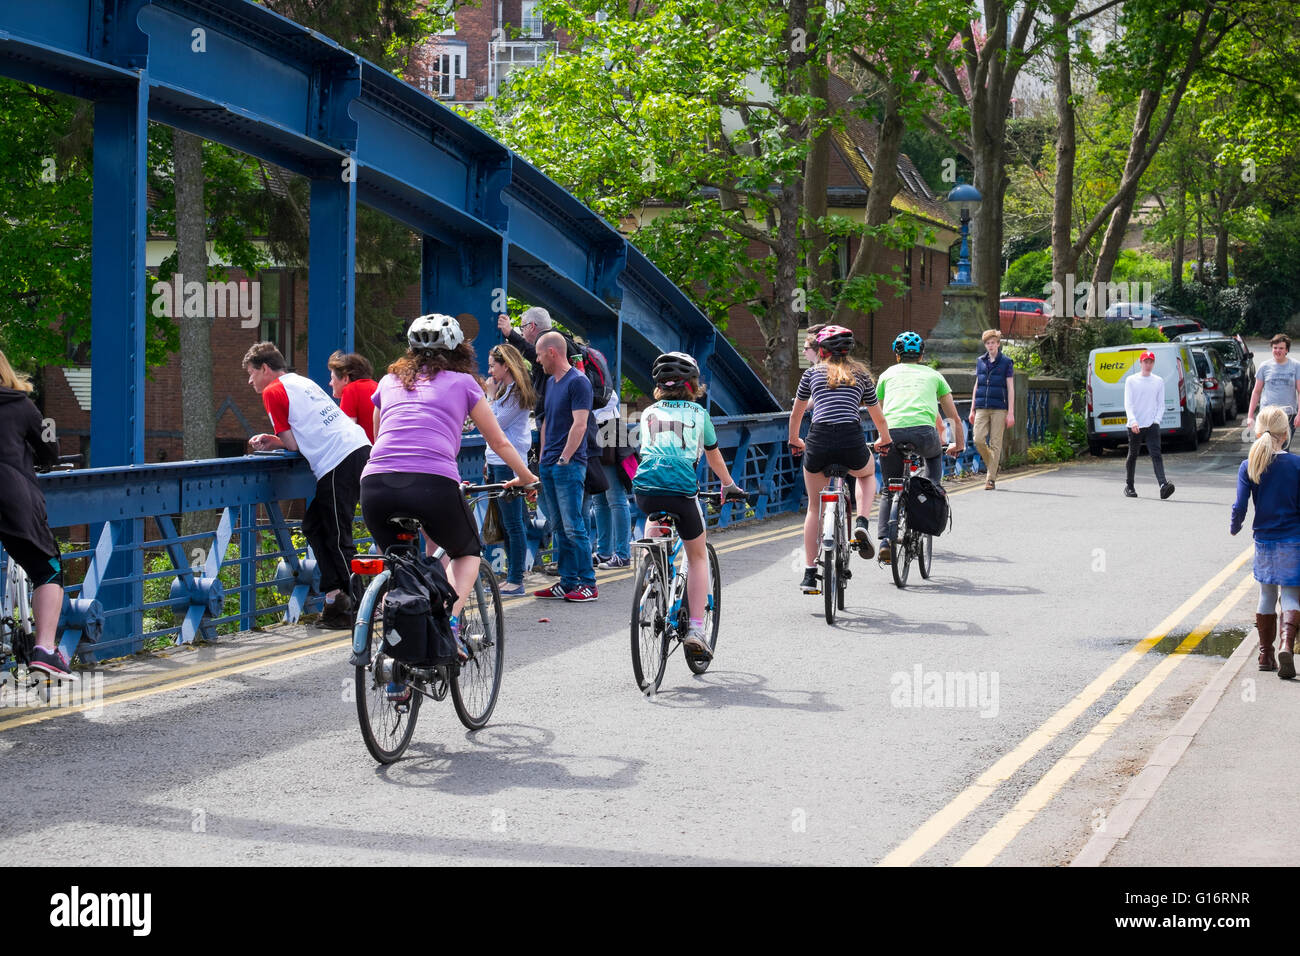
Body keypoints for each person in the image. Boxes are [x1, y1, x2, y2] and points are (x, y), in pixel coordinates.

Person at [362, 315, 536, 696]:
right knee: (466, 550)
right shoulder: (465, 384)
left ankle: (397, 668)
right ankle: (450, 625)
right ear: (460, 350)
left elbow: (380, 435)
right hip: (432, 483)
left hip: (376, 484)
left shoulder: (388, 382)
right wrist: (525, 477)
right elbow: (500, 443)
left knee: (399, 566)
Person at [245, 342, 371, 629]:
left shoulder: (272, 392)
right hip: (352, 449)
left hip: (338, 458)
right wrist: (277, 439)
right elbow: (305, 432)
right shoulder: (300, 381)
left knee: (337, 533)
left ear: (265, 369)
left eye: (252, 373)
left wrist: (278, 441)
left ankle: (356, 607)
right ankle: (336, 596)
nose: (250, 380)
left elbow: (292, 443)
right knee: (314, 526)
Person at [633, 352, 745, 658]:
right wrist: (728, 485)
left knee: (654, 521)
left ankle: (651, 576)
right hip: (681, 492)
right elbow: (712, 454)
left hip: (645, 490)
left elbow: (647, 451)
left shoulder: (648, 413)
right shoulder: (699, 414)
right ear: (693, 384)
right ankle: (696, 629)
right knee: (697, 556)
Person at [788, 325, 892, 594]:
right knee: (866, 474)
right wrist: (884, 439)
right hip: (851, 438)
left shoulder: (811, 374)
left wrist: (795, 440)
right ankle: (861, 522)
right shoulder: (861, 375)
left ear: (821, 351)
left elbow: (796, 415)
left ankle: (810, 573)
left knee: (814, 507)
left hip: (819, 439)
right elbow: (877, 416)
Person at [0, 350, 75, 680]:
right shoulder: (20, 405)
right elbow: (49, 447)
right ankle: (45, 650)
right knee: (48, 569)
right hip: (11, 497)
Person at [872, 331, 964, 562]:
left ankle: (884, 539)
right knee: (933, 460)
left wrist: (880, 438)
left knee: (889, 488)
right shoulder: (935, 376)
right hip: (924, 432)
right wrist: (958, 444)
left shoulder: (886, 375)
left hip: (891, 433)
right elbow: (954, 417)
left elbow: (878, 413)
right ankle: (929, 495)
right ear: (921, 355)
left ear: (897, 355)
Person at [1230, 406, 1300, 679]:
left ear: (1258, 432)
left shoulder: (1249, 464)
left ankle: (1265, 654)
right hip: (1294, 540)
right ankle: (1286, 645)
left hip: (1265, 541)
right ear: (1286, 434)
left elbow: (1240, 506)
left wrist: (1234, 527)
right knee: (1292, 595)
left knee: (1266, 595)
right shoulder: (1296, 465)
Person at [532, 331, 598, 602]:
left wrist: (564, 458)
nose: (536, 360)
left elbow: (580, 424)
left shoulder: (578, 382)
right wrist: (545, 457)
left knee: (574, 526)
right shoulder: (551, 382)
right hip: (550, 463)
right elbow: (547, 422)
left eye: (538, 354)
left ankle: (588, 583)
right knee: (559, 526)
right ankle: (568, 580)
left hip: (568, 464)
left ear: (552, 352)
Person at [483, 342, 537, 595]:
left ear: (506, 365)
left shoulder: (516, 394)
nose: (490, 369)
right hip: (496, 462)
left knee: (514, 523)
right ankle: (512, 575)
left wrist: (490, 396)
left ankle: (516, 578)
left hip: (510, 464)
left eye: (493, 365)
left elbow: (494, 423)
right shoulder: (505, 390)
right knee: (507, 523)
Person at [496, 307, 578, 416]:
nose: (522, 334)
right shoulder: (563, 339)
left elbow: (535, 355)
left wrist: (511, 334)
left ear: (531, 326)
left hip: (558, 417)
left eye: (522, 328)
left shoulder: (552, 342)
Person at [1123, 350, 1174, 499]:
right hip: (1135, 425)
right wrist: (1132, 421)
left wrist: (1156, 421)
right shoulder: (1131, 380)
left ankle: (1163, 485)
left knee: (1156, 454)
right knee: (1133, 455)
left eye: (1151, 361)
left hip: (1151, 424)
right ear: (1140, 363)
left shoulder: (1158, 381)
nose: (1148, 364)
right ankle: (1130, 486)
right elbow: (1128, 403)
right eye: (1146, 361)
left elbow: (1161, 404)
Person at [969, 328, 1015, 490]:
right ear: (985, 345)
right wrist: (972, 408)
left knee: (996, 443)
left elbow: (1011, 388)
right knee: (978, 439)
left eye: (993, 343)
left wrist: (1011, 412)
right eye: (988, 343)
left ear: (998, 344)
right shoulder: (980, 361)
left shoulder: (1006, 362)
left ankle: (990, 479)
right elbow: (977, 384)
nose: (990, 346)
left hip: (999, 408)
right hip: (982, 406)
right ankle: (993, 465)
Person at [590, 389, 632, 569]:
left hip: (608, 434)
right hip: (594, 434)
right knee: (598, 499)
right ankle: (604, 552)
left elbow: (611, 397)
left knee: (615, 498)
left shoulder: (592, 369)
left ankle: (623, 554)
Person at [1245, 333, 1300, 448]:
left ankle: (1283, 466)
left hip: (1287, 416)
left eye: (1281, 348)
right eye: (1275, 348)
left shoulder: (1295, 366)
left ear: (1287, 350)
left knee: (1283, 448)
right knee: (1266, 448)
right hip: (1267, 416)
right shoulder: (1264, 366)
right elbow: (1256, 392)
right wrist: (1250, 416)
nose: (1277, 351)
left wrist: (1299, 414)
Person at [328, 351, 379, 443]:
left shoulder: (350, 390)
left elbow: (346, 435)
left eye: (332, 378)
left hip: (368, 453)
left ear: (345, 378)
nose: (330, 383)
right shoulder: (377, 386)